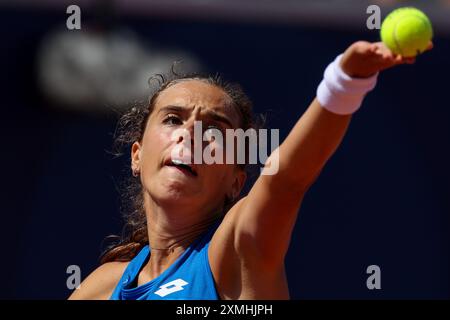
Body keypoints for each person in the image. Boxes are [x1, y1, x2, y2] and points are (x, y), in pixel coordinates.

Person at [69, 40, 432, 300]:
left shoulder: (237, 250)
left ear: (235, 182)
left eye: (214, 129)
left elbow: (286, 180)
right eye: (173, 119)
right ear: (137, 154)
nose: (191, 133)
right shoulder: (103, 287)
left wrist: (345, 81)